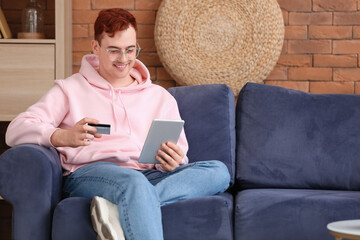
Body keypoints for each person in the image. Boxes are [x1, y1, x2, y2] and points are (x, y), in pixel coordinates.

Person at [5, 8, 230, 240]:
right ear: (95, 47)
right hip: (91, 173)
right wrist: (63, 136)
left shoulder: (159, 96)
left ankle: (120, 209)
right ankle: (133, 200)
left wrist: (173, 162)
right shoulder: (70, 89)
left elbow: (180, 155)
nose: (124, 59)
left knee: (218, 172)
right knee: (132, 183)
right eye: (114, 51)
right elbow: (16, 129)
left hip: (147, 175)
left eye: (130, 50)